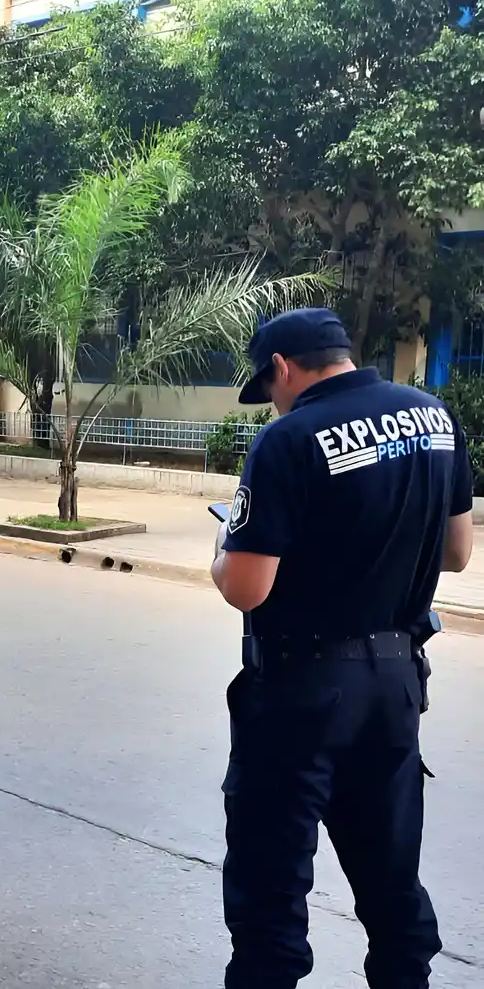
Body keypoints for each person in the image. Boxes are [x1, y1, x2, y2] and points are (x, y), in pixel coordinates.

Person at [210, 308, 474, 988]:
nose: (273, 400)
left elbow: (246, 587)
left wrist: (224, 547)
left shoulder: (288, 439)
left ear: (282, 369)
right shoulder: (434, 418)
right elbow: (458, 552)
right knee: (391, 883)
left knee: (270, 895)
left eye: (268, 386)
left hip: (302, 691)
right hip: (394, 687)